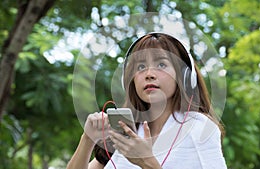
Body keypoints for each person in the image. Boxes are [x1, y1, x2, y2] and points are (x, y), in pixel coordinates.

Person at [67, 33, 227, 169]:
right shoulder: (125, 130)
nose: (149, 74)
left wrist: (147, 162)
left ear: (184, 77)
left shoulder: (199, 127)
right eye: (141, 67)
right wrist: (87, 139)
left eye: (162, 64)